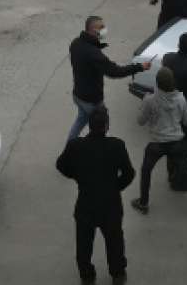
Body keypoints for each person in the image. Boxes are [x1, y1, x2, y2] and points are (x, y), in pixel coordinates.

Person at [56, 107, 135, 284]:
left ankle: (87, 275)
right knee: (114, 240)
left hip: (86, 202)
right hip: (111, 204)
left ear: (89, 126)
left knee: (84, 243)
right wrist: (115, 187)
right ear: (106, 126)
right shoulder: (117, 145)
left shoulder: (75, 146)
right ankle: (117, 273)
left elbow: (60, 165)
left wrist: (77, 177)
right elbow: (129, 173)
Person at [67, 16, 151, 142]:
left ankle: (70, 146)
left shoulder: (76, 43)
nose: (104, 30)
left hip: (78, 95)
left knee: (81, 119)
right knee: (99, 129)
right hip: (92, 100)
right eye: (101, 27)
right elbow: (115, 71)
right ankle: (95, 152)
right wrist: (139, 67)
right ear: (92, 30)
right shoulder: (93, 53)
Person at [131, 67, 187, 214]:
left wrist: (144, 104)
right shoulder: (181, 98)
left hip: (157, 144)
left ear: (157, 83)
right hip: (176, 143)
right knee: (186, 172)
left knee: (146, 170)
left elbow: (140, 121)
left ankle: (143, 202)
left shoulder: (150, 99)